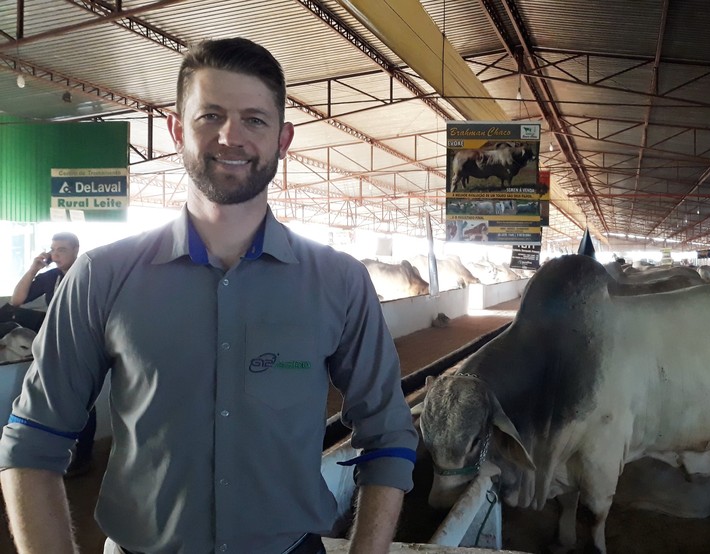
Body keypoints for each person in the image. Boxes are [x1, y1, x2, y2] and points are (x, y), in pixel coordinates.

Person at [0, 38, 417, 554]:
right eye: (210, 116)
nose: (230, 136)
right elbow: (32, 440)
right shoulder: (101, 276)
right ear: (177, 129)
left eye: (254, 120)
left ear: (284, 138)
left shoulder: (340, 282)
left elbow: (389, 435)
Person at [8, 232, 95, 477]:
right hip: (57, 343)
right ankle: (66, 454)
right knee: (61, 399)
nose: (55, 255)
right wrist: (34, 267)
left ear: (77, 249)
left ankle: (85, 456)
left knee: (84, 400)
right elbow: (17, 299)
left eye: (62, 250)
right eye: (53, 249)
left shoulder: (89, 273)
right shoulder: (51, 277)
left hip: (84, 343)